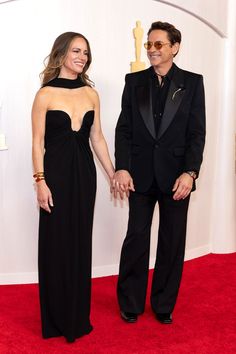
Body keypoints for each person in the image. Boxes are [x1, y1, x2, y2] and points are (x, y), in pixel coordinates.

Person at [114, 21, 206, 324]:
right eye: (148, 45)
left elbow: (196, 133)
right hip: (139, 175)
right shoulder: (134, 81)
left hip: (177, 177)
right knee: (136, 238)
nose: (152, 50)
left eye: (158, 45)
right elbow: (124, 129)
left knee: (172, 241)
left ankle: (164, 304)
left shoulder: (192, 83)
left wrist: (190, 172)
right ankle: (130, 302)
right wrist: (122, 167)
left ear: (174, 47)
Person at [31, 32, 114, 342]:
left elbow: (97, 138)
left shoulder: (92, 94)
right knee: (55, 244)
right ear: (61, 53)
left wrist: (113, 171)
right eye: (76, 50)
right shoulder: (45, 95)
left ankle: (77, 316)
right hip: (55, 177)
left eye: (86, 52)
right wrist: (40, 182)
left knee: (79, 243)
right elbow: (37, 143)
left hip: (84, 177)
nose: (82, 56)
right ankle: (55, 319)